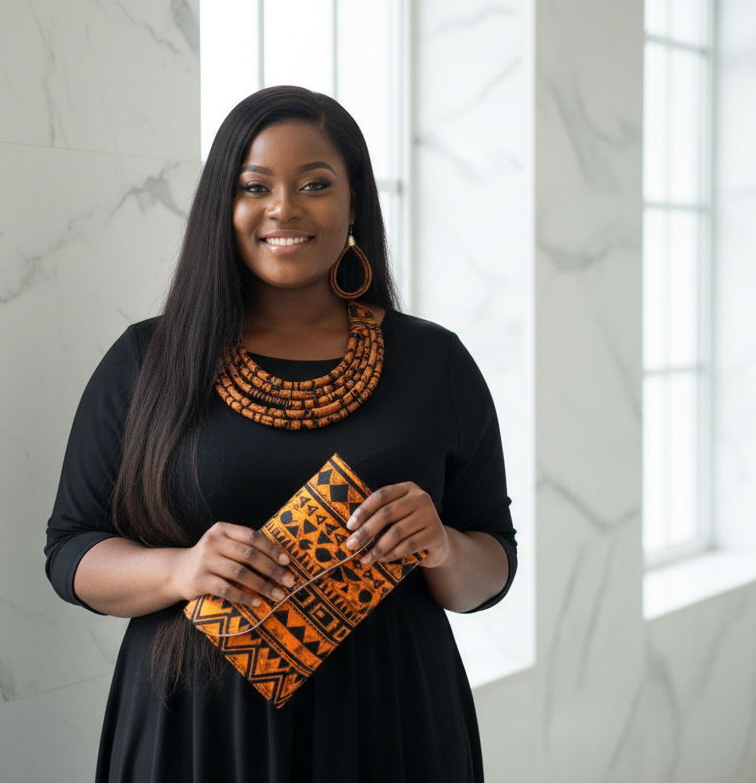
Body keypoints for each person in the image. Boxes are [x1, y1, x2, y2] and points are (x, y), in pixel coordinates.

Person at [45, 85, 516, 783]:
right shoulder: (147, 361)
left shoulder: (435, 363)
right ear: (221, 208)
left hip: (391, 725)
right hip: (196, 735)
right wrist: (180, 569)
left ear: (354, 202)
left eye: (316, 185)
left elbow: (491, 569)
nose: (284, 209)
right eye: (254, 186)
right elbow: (71, 552)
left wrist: (440, 543)